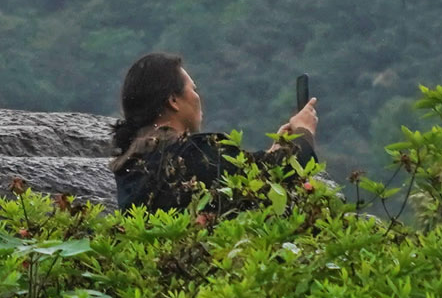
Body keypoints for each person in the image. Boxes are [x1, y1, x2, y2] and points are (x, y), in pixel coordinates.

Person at [111, 50, 318, 211]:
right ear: (173, 100)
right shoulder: (195, 152)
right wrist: (303, 131)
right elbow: (276, 174)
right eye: (193, 89)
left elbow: (252, 173)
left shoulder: (131, 163)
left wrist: (276, 150)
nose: (198, 97)